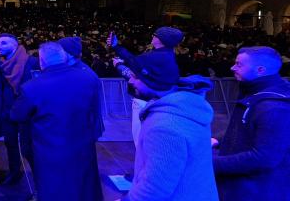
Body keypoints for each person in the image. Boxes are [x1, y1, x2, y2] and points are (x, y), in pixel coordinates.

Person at [10, 42, 102, 201]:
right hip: (83, 145)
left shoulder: (32, 87)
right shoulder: (87, 78)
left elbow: (16, 115)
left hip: (50, 150)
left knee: (54, 189)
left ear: (41, 60)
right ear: (64, 57)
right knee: (83, 187)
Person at [121, 63, 218, 201]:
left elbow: (155, 188)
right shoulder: (187, 106)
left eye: (136, 77)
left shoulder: (165, 126)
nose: (130, 81)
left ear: (153, 80)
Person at [213, 46, 290, 200]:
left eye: (239, 64)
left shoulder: (273, 107)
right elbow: (247, 132)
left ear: (260, 70)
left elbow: (264, 157)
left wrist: (212, 164)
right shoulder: (255, 95)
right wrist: (219, 140)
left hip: (257, 192)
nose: (232, 67)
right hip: (244, 188)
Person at [108, 26, 183, 144]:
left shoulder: (154, 57)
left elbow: (133, 63)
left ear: (162, 40)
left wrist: (119, 64)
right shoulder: (168, 55)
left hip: (144, 103)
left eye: (155, 35)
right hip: (161, 102)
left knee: (141, 141)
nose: (152, 36)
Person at [0, 33, 38, 185]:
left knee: (28, 147)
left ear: (15, 44)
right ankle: (14, 172)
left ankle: (39, 178)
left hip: (26, 111)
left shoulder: (31, 62)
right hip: (7, 110)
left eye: (4, 43)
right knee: (10, 143)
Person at [57, 36, 105, 139]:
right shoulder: (74, 70)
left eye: (58, 51)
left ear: (68, 54)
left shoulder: (83, 75)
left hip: (80, 131)